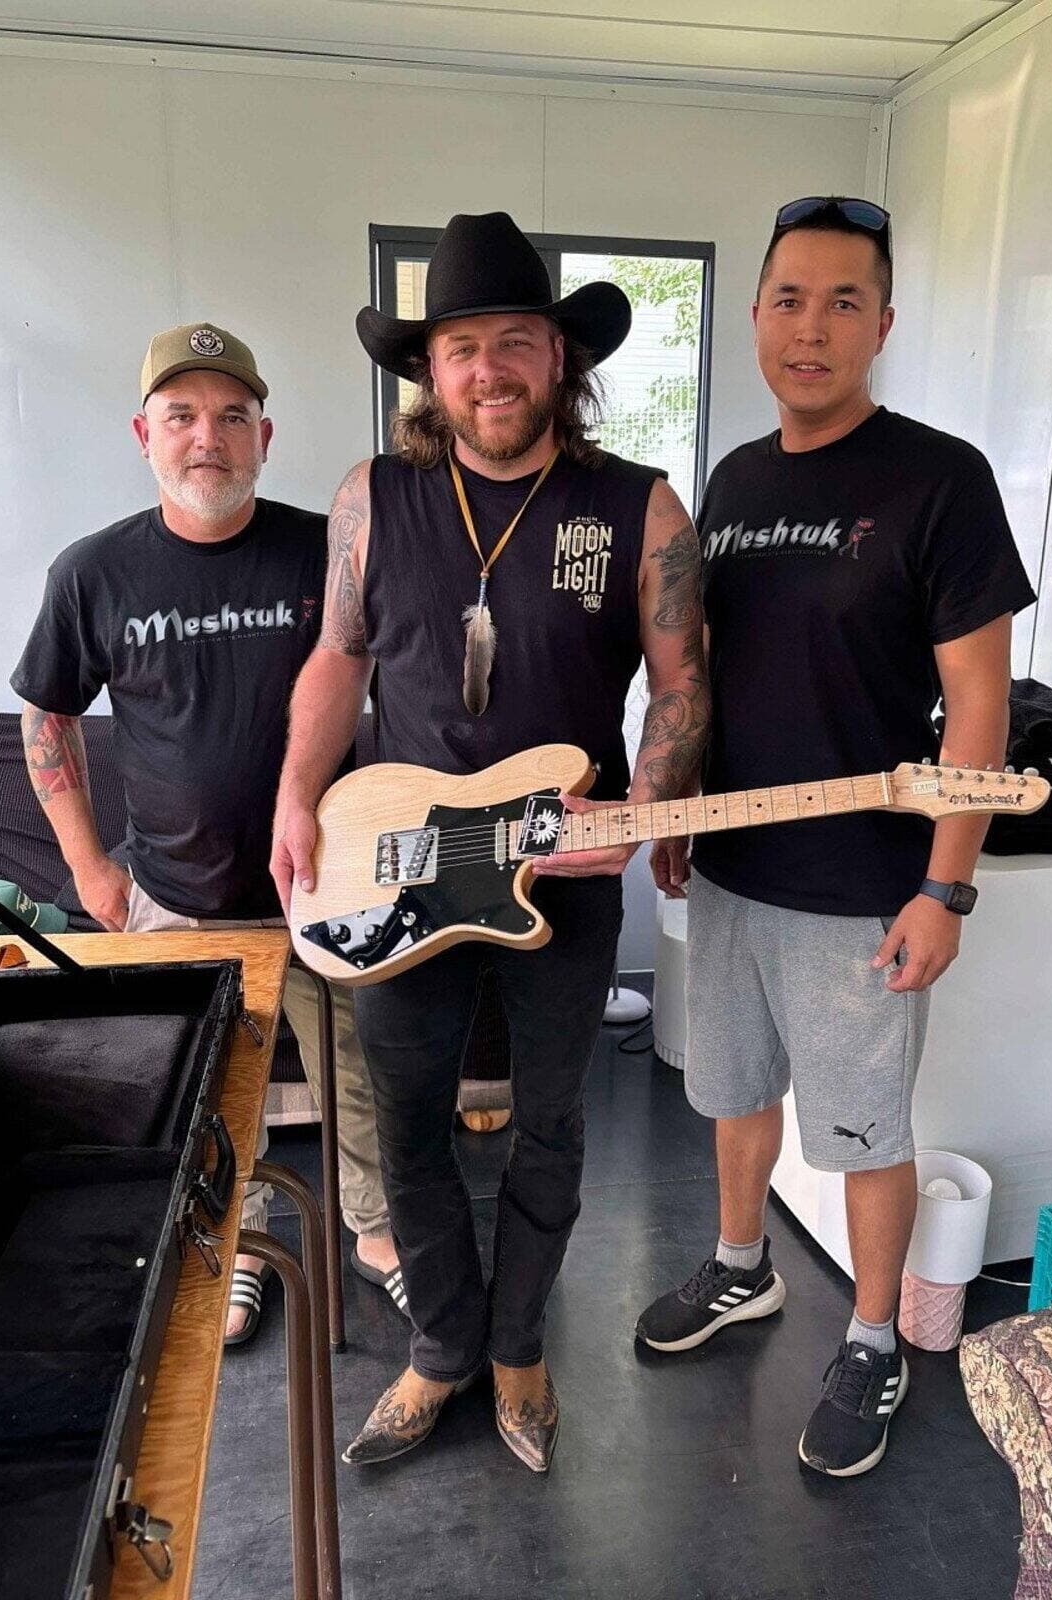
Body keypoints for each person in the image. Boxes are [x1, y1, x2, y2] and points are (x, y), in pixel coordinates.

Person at [271, 212, 709, 1471]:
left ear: (560, 359)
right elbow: (338, 657)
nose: (489, 369)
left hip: (558, 881)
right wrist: (297, 795)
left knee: (552, 1126)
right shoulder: (376, 495)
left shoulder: (636, 505)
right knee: (403, 1124)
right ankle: (443, 1349)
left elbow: (679, 685)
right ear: (429, 371)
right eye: (462, 346)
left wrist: (636, 811)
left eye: (517, 341)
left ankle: (519, 1347)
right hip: (398, 869)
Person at [635, 197, 1036, 1477]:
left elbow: (981, 702)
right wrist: (683, 814)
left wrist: (947, 889)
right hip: (739, 868)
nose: (813, 328)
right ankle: (742, 1266)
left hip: (864, 881)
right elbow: (710, 670)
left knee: (865, 1128)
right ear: (753, 315)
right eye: (791, 299)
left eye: (845, 302)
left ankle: (871, 1338)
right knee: (733, 1090)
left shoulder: (940, 478)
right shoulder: (737, 481)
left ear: (883, 324)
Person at [11, 322, 398, 1343]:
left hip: (329, 888)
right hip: (177, 900)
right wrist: (89, 867)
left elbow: (401, 677)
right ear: (145, 432)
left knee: (363, 1078)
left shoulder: (328, 551)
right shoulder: (93, 573)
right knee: (215, 1093)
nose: (208, 439)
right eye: (183, 416)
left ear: (265, 435)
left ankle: (377, 1235)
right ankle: (238, 1245)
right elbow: (47, 714)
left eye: (232, 417)